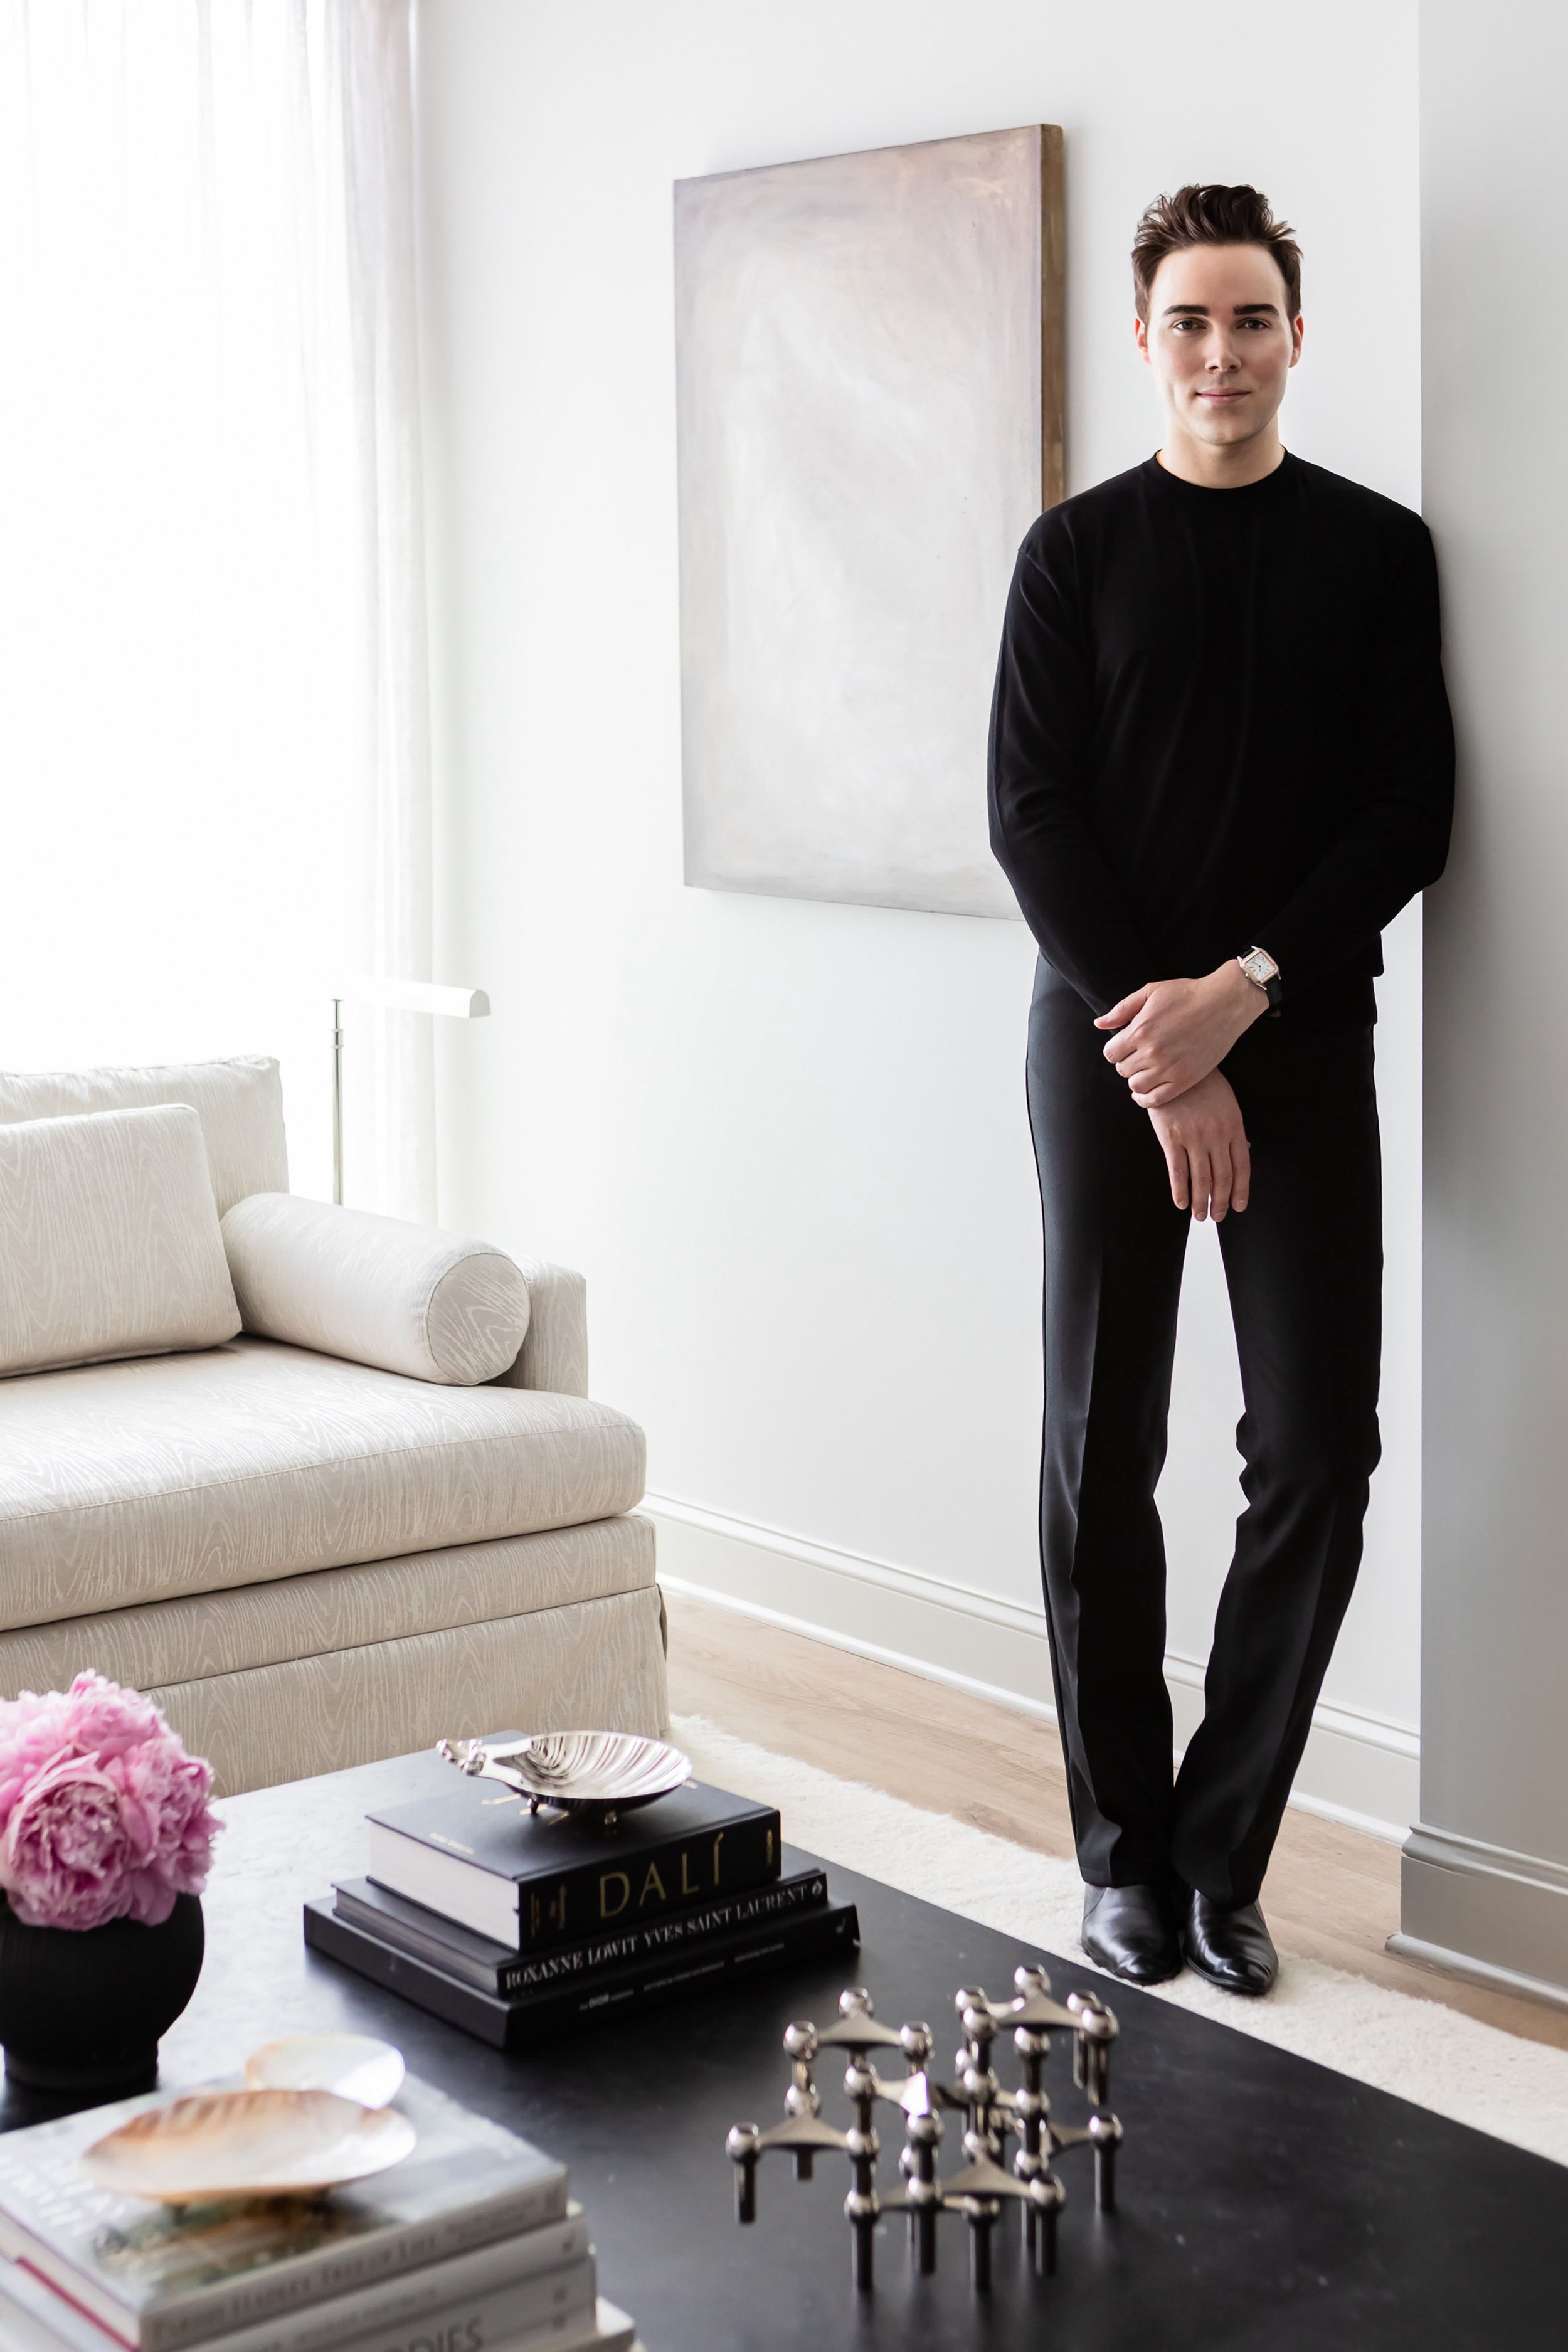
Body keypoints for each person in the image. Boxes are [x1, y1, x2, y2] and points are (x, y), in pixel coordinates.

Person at [987, 184, 1453, 1994]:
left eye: (1250, 318)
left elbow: (1406, 816)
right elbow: (1032, 814)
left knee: (1317, 1450)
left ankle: (1215, 1856)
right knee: (1102, 1443)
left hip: (1300, 1041)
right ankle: (1118, 1854)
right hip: (1107, 1048)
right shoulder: (1073, 555)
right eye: (1188, 319)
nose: (1220, 351)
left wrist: (1242, 995)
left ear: (1294, 337)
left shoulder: (1378, 552)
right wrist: (1158, 1046)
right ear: (1144, 338)